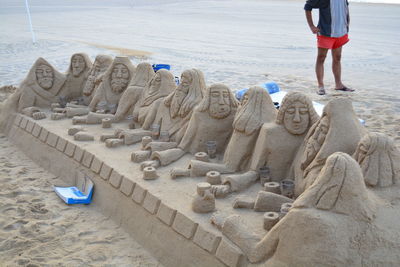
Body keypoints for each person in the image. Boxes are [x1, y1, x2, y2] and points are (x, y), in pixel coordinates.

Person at [304, 0, 354, 95]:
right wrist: (311, 26)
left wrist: (347, 24)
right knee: (321, 58)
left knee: (337, 57)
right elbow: (307, 6)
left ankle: (338, 85)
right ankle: (320, 86)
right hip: (325, 32)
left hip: (341, 31)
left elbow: (346, 8)